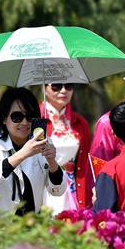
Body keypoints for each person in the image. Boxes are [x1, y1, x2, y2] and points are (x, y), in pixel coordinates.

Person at [0, 87, 65, 217]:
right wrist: (24, 153)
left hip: (31, 227)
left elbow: (57, 190)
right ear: (4, 118)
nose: (24, 122)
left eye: (30, 117)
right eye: (17, 117)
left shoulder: (43, 143)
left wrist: (52, 162)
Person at [39, 81, 93, 212]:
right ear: (44, 88)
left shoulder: (80, 122)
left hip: (71, 188)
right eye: (56, 86)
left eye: (68, 86)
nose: (63, 90)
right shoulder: (33, 119)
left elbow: (86, 163)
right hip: (42, 185)